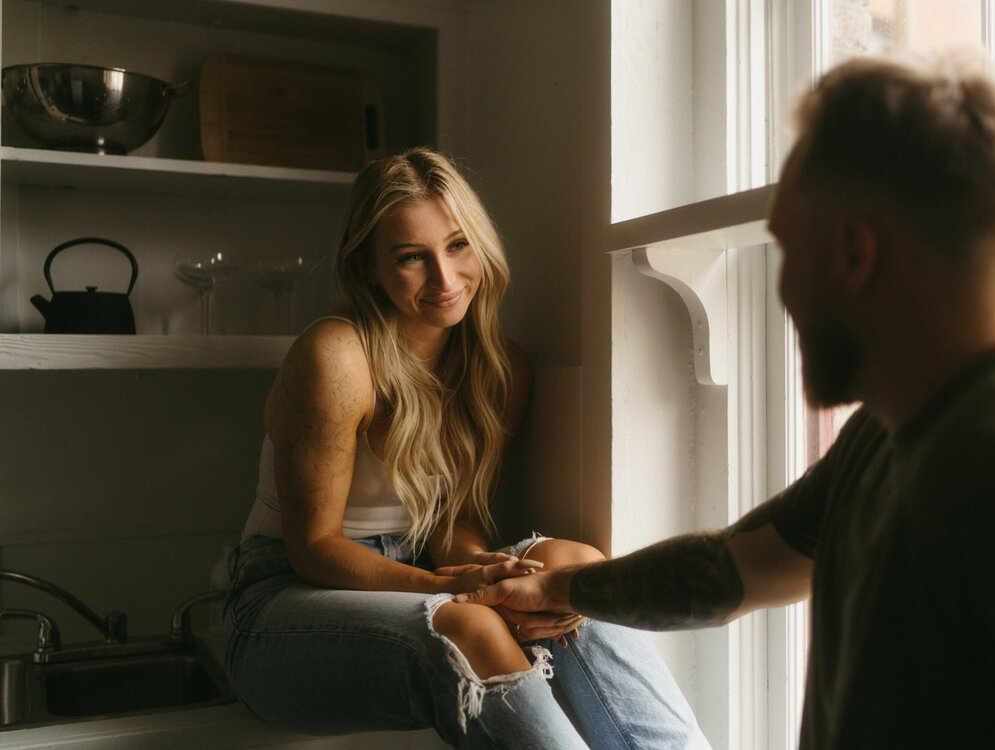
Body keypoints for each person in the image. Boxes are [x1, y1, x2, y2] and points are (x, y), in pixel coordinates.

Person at [457, 50, 995, 748]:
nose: (782, 291)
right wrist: (562, 588)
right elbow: (731, 569)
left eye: (788, 249)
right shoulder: (895, 429)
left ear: (853, 251)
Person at [223, 148, 711, 749]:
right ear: (370, 268)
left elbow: (455, 522)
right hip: (283, 606)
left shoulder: (502, 370)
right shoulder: (336, 354)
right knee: (471, 626)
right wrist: (453, 590)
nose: (445, 279)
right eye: (411, 258)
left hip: (423, 570)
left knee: (574, 571)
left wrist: (483, 569)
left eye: (457, 246)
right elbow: (314, 549)